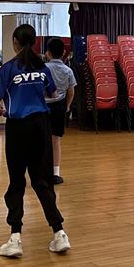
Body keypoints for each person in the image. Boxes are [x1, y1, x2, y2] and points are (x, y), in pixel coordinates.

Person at [0, 24, 70, 258]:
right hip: (41, 126)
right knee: (42, 181)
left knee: (17, 181)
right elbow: (53, 94)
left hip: (18, 127)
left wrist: (1, 108)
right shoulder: (42, 67)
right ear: (34, 42)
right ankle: (59, 233)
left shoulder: (8, 69)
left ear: (14, 41)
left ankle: (15, 237)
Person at [44, 39, 77, 184]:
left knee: (41, 140)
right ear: (64, 53)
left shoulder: (42, 68)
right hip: (59, 107)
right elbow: (71, 91)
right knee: (56, 140)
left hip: (43, 107)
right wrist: (67, 106)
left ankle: (41, 172)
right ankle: (55, 173)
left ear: (47, 53)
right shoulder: (68, 70)